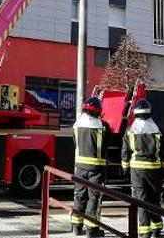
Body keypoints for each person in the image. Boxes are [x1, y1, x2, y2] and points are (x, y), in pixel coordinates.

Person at [121, 99, 164, 238]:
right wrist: (163, 167)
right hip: (154, 169)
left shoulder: (131, 130)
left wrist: (125, 167)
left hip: (137, 170)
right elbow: (163, 151)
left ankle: (144, 232)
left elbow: (125, 151)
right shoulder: (157, 128)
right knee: (155, 199)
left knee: (141, 200)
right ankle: (156, 229)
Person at [72, 97, 109, 237]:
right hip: (96, 169)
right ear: (98, 110)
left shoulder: (76, 124)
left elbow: (75, 144)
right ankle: (91, 230)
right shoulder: (102, 126)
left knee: (79, 196)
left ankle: (76, 226)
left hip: (79, 167)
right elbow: (106, 145)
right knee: (94, 198)